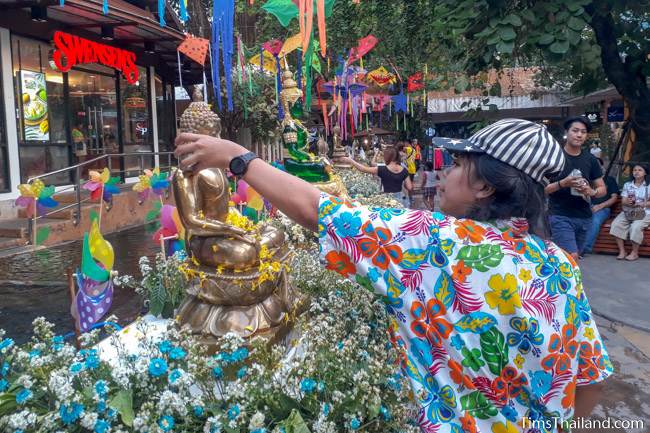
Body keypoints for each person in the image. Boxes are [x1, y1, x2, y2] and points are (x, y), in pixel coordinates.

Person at [175, 118, 611, 432]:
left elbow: (319, 211)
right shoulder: (558, 264)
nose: (444, 174)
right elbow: (590, 382)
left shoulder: (433, 241)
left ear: (484, 187)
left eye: (458, 165)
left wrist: (237, 157)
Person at [545, 116, 606, 260]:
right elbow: (542, 189)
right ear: (567, 132)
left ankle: (564, 282)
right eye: (575, 130)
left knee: (573, 259)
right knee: (570, 256)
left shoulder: (590, 159)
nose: (579, 135)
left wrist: (592, 191)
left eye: (583, 132)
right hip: (560, 215)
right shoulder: (554, 157)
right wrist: (563, 183)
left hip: (585, 217)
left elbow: (602, 189)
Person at [342, 147, 413, 207]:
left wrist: (351, 161)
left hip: (387, 200)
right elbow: (409, 187)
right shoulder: (404, 170)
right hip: (400, 198)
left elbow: (363, 169)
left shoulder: (382, 169)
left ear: (387, 157)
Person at [609, 164, 650, 261]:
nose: (636, 172)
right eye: (635, 170)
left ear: (645, 173)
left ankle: (635, 253)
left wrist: (643, 204)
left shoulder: (648, 185)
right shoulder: (628, 185)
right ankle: (622, 251)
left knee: (635, 227)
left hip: (645, 212)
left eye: (640, 170)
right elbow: (623, 200)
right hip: (629, 211)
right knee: (616, 224)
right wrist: (629, 202)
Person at [582, 158, 620, 255]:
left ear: (601, 167)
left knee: (595, 220)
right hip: (586, 207)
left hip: (603, 208)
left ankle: (585, 249)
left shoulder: (610, 180)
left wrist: (600, 206)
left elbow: (614, 198)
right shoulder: (586, 181)